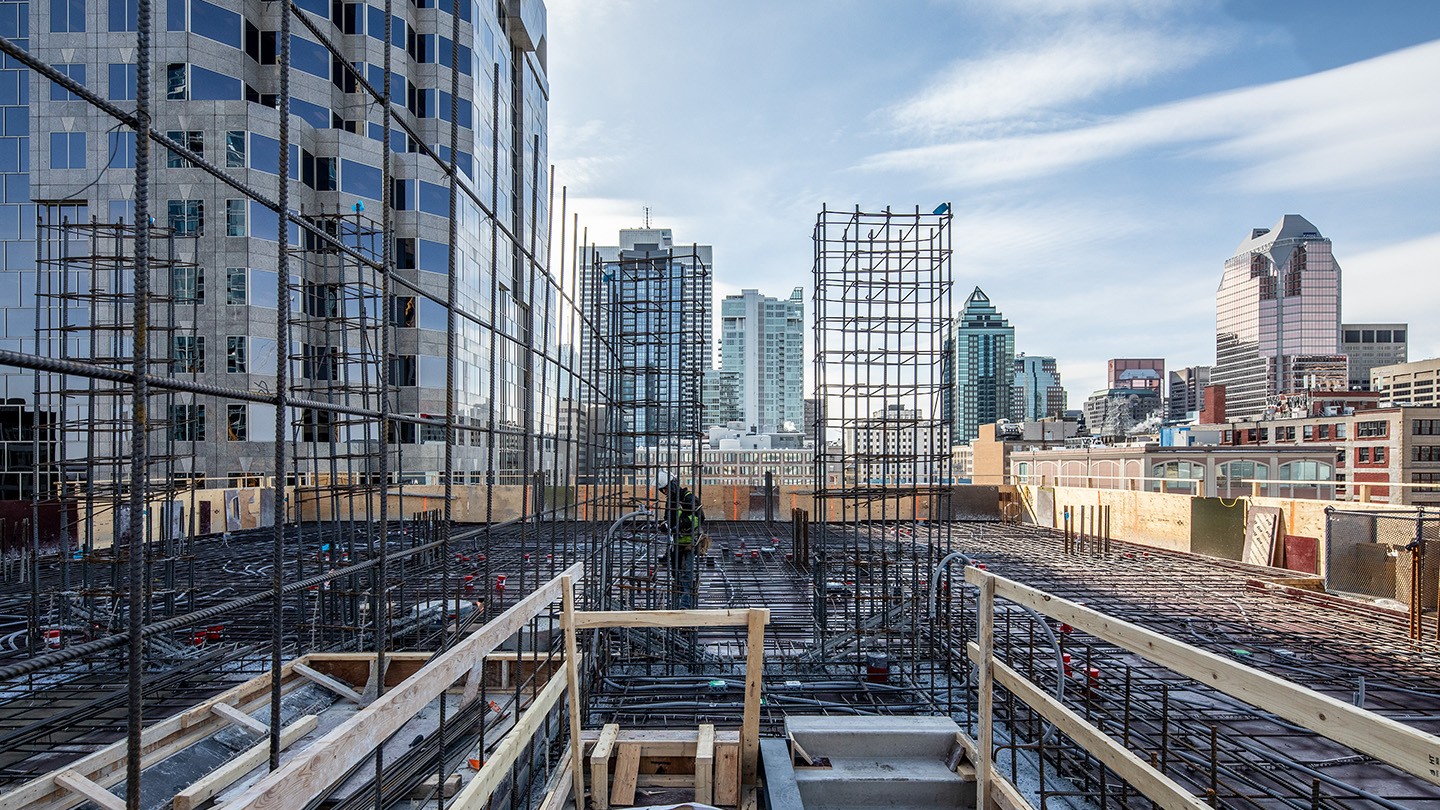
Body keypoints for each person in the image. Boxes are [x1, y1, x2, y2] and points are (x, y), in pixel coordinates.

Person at [656, 471, 702, 609]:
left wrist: (680, 524)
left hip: (689, 543)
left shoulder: (688, 498)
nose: (665, 492)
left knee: (686, 574)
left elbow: (698, 518)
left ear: (674, 485)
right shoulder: (670, 500)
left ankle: (685, 605)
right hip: (675, 543)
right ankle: (678, 603)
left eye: (666, 488)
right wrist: (664, 525)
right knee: (676, 575)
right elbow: (668, 519)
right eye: (662, 490)